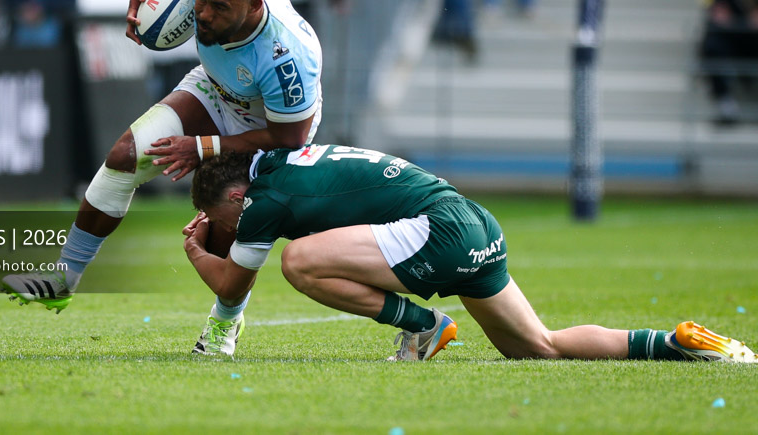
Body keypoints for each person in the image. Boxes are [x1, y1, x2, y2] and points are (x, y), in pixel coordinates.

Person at [2, 0, 323, 355]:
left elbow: (289, 138)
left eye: (219, 7)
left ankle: (224, 325)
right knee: (124, 156)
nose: (203, 13)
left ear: (255, 4)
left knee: (229, 216)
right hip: (215, 88)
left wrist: (202, 147)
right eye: (201, 0)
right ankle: (62, 280)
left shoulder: (287, 58)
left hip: (270, 125)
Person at [183, 145, 756, 363]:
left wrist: (195, 249)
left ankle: (425, 326)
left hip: (437, 227)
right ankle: (679, 344)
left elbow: (232, 286)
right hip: (475, 221)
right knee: (539, 349)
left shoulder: (263, 198)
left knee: (297, 261)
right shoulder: (293, 162)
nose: (229, 233)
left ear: (237, 195)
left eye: (223, 220)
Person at [700, 0, 758, 125]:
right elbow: (718, 15)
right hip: (736, 41)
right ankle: (725, 103)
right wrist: (745, 20)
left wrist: (735, 18)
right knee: (712, 43)